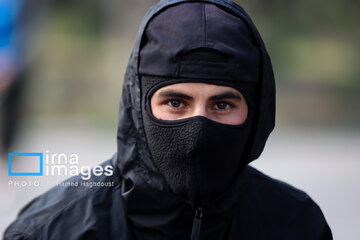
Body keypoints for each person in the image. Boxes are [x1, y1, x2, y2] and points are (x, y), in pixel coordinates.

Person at [4, 0, 333, 239]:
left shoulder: (297, 224)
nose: (197, 130)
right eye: (176, 102)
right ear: (139, 106)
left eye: (222, 104)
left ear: (257, 111)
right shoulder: (52, 230)